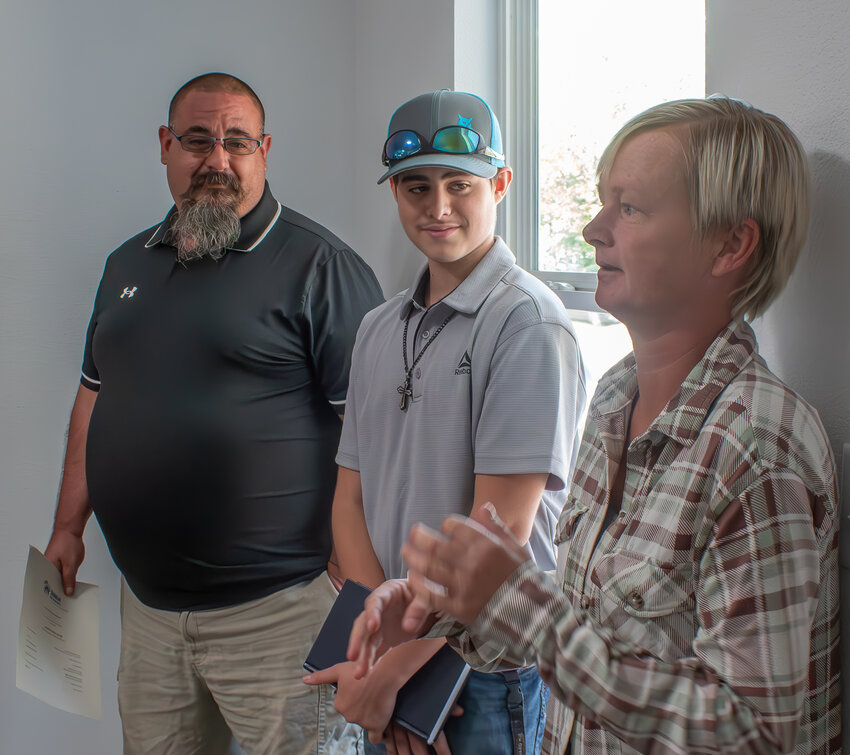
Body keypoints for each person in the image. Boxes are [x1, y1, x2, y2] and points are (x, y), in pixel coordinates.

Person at [346, 97, 841, 754]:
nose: (591, 228)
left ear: (731, 244)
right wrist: (456, 600)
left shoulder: (758, 450)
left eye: (629, 208)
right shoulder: (616, 393)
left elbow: (752, 734)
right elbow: (598, 615)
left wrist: (528, 611)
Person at [44, 72, 384, 754]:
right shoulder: (124, 264)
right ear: (166, 146)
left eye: (236, 142)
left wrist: (351, 585)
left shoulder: (322, 267)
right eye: (198, 140)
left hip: (281, 616)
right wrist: (66, 526)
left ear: (264, 150)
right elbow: (93, 397)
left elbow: (374, 435)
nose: (217, 160)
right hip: (149, 615)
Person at [302, 90, 587, 754]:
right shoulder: (377, 328)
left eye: (461, 184)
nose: (438, 207)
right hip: (396, 656)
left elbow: (499, 538)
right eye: (416, 186)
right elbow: (350, 498)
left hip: (485, 668)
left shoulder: (528, 323)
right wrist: (383, 656)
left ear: (501, 184)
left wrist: (400, 667)